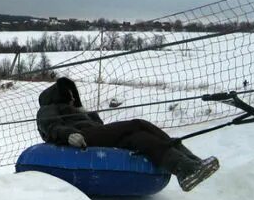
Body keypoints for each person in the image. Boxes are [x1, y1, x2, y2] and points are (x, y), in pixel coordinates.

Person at [36, 77, 219, 192]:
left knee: (139, 138)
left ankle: (184, 168)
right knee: (137, 124)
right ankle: (189, 159)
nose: (73, 98)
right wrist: (69, 135)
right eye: (69, 95)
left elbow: (99, 125)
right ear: (57, 95)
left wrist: (86, 113)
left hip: (94, 134)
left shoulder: (77, 109)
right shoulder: (48, 108)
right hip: (82, 137)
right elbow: (49, 127)